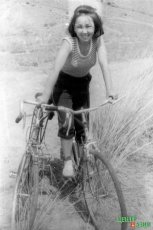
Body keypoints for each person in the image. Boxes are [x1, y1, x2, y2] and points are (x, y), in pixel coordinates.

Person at [37, 5, 117, 177]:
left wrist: (110, 91)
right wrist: (44, 98)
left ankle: (82, 162)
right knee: (66, 122)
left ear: (96, 28)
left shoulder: (97, 41)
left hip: (82, 84)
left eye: (88, 26)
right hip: (64, 85)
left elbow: (104, 65)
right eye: (79, 26)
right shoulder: (69, 42)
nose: (84, 31)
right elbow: (55, 70)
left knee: (82, 125)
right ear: (73, 27)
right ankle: (67, 162)